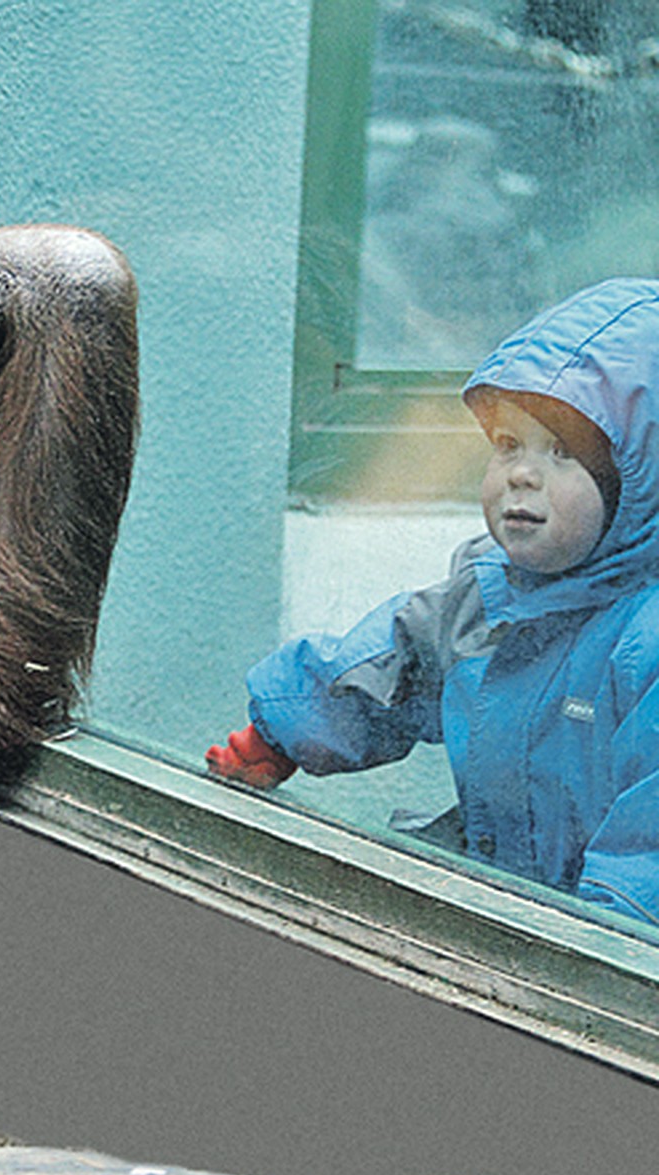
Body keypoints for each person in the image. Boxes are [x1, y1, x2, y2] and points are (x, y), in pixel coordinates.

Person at [207, 277, 659, 924]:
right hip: (500, 904)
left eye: (561, 452)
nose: (522, 473)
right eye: (509, 445)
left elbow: (650, 853)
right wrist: (279, 734)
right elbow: (388, 666)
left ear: (642, 481)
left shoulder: (646, 642)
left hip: (594, 955)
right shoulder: (486, 593)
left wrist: (599, 963)